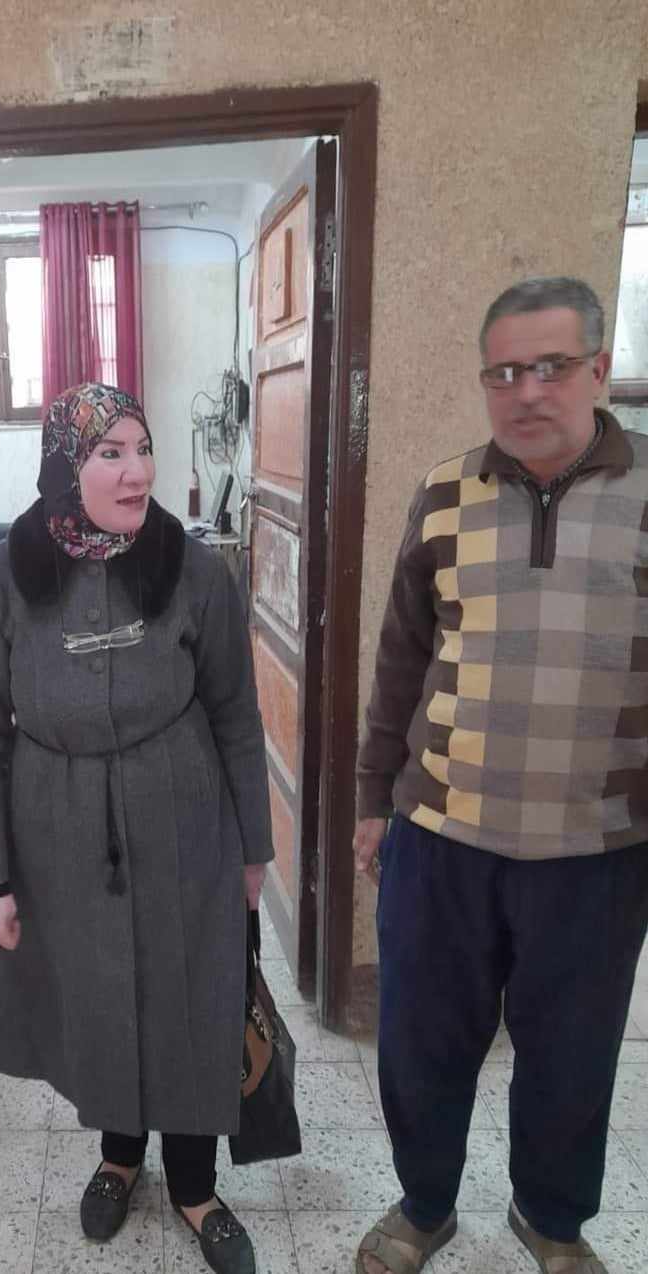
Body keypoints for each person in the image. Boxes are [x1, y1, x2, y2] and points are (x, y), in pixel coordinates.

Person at [353, 277, 648, 1274]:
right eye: (504, 372)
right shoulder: (444, 493)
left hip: (599, 846)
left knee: (573, 1056)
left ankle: (551, 1221)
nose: (526, 391)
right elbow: (400, 659)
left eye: (550, 367)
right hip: (441, 836)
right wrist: (372, 801)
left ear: (598, 369)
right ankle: (424, 1205)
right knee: (421, 1043)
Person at [0, 383, 273, 1274]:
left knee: (190, 993)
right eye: (110, 453)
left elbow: (237, 716)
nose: (137, 472)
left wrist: (253, 848)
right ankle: (119, 1158)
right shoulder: (3, 575)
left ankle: (197, 1187)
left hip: (185, 812)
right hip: (55, 821)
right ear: (66, 464)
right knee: (98, 994)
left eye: (142, 448)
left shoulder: (195, 570)